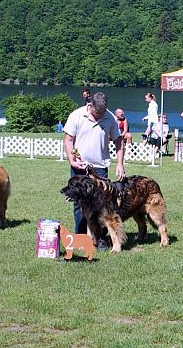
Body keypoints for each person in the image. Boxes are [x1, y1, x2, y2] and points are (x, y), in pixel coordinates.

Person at [63, 92, 125, 250]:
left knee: (102, 206)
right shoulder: (76, 116)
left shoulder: (110, 117)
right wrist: (72, 160)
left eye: (103, 112)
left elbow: (118, 140)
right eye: (98, 112)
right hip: (79, 167)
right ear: (89, 106)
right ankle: (80, 236)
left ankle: (100, 240)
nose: (100, 115)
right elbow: (69, 140)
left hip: (100, 168)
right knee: (79, 205)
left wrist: (120, 163)